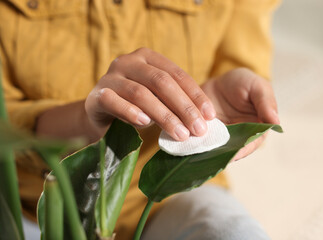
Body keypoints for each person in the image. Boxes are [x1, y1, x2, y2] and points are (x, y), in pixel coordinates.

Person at [0, 0, 280, 239]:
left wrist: (229, 94)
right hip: (37, 206)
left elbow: (241, 52)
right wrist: (85, 121)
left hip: (173, 192)